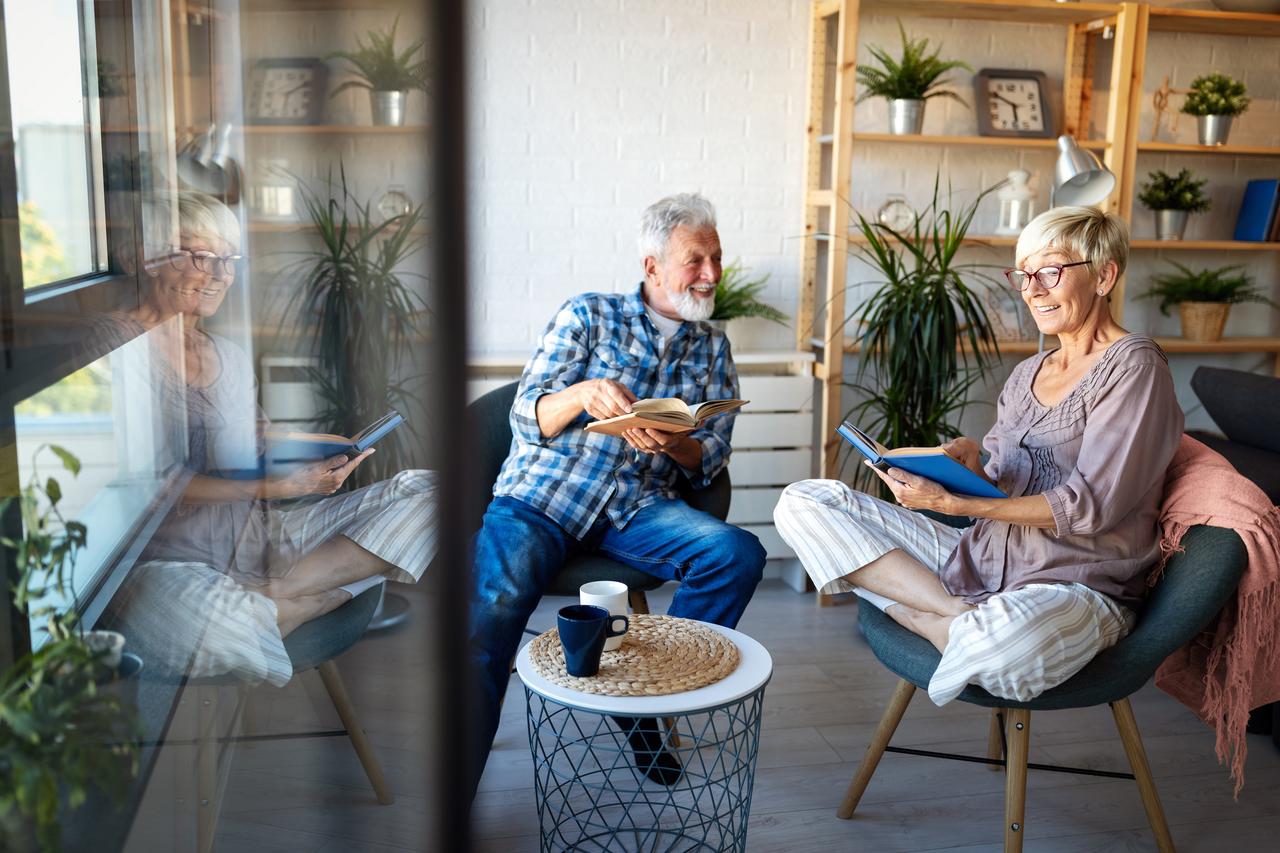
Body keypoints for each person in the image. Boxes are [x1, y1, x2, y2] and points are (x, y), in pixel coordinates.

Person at [775, 206, 1183, 706]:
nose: (1032, 289)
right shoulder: (1027, 373)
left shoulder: (1135, 367)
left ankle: (923, 616)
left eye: (1050, 271)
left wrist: (960, 506)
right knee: (805, 501)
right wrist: (967, 470)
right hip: (982, 564)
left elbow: (1089, 507)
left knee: (1003, 645)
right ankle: (953, 614)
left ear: (1104, 275)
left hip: (1076, 584)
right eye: (1025, 275)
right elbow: (1002, 484)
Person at [468, 192, 767, 790]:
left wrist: (673, 441)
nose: (710, 274)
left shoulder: (713, 348)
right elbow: (526, 418)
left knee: (737, 554)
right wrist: (582, 395)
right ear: (652, 265)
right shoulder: (588, 314)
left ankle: (645, 701)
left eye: (716, 258)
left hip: (639, 506)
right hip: (544, 495)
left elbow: (708, 460)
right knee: (494, 611)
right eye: (694, 260)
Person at [97, 191, 438, 685]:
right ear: (142, 259)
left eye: (228, 259)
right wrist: (277, 488)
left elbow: (252, 438)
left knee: (434, 493)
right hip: (166, 565)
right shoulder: (116, 345)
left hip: (258, 542)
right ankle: (317, 596)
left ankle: (277, 592)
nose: (219, 275)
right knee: (217, 626)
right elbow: (145, 486)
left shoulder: (229, 356)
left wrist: (324, 444)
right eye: (200, 255)